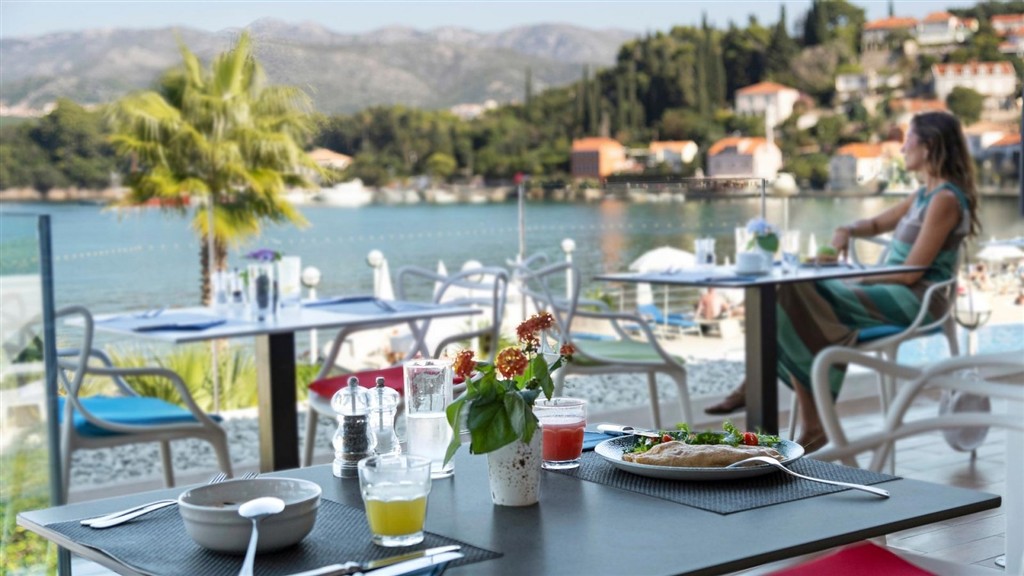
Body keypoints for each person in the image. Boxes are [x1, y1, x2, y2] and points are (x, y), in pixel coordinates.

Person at [704, 111, 980, 453]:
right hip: (888, 289)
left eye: (909, 139)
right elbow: (876, 223)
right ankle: (801, 414)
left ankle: (787, 405)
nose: (902, 147)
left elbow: (911, 273)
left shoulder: (945, 200)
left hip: (917, 299)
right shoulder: (924, 194)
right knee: (786, 293)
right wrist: (846, 229)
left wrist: (852, 273)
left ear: (930, 146)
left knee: (794, 294)